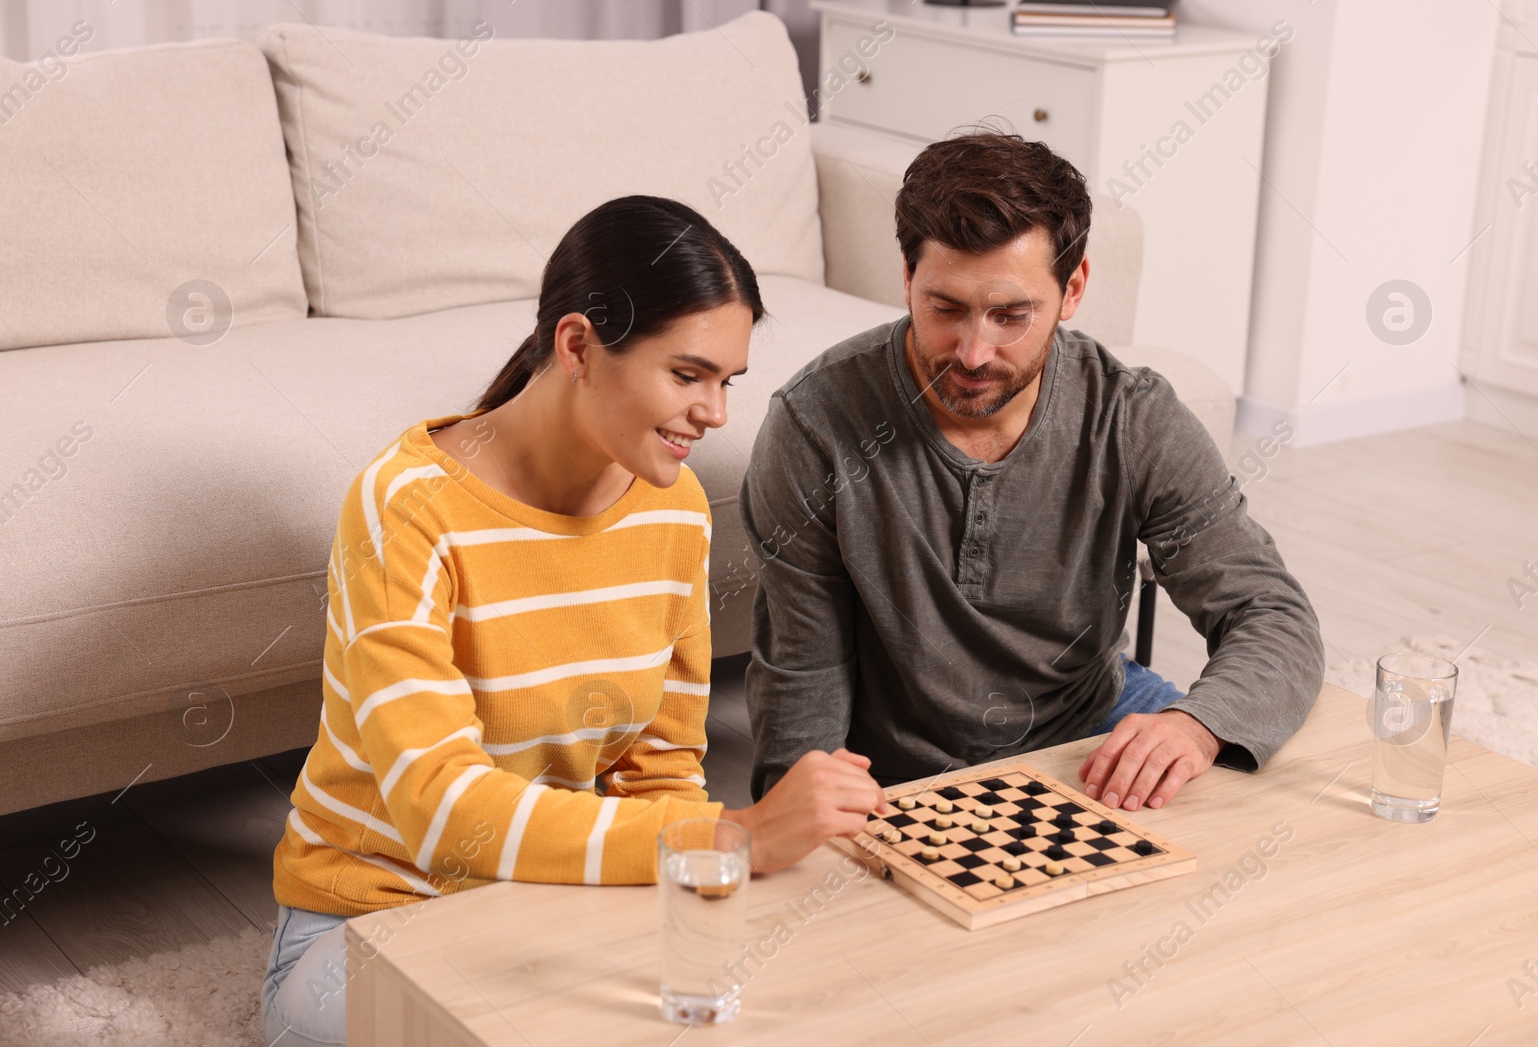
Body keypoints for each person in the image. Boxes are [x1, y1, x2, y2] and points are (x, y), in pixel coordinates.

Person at [261, 196, 888, 1047]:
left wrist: (706, 903)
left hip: (549, 907)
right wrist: (732, 834)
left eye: (727, 381)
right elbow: (442, 809)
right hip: (372, 919)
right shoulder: (407, 509)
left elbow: (660, 776)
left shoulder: (676, 512)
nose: (715, 413)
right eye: (687, 373)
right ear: (578, 346)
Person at [740, 129, 1325, 813]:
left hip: (1090, 731)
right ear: (906, 277)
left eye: (1011, 315)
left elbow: (1272, 613)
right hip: (899, 765)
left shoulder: (1134, 417)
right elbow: (803, 682)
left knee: (1273, 820)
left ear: (1072, 289)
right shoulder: (816, 425)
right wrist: (791, 819)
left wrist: (1194, 727)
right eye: (944, 308)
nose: (973, 351)